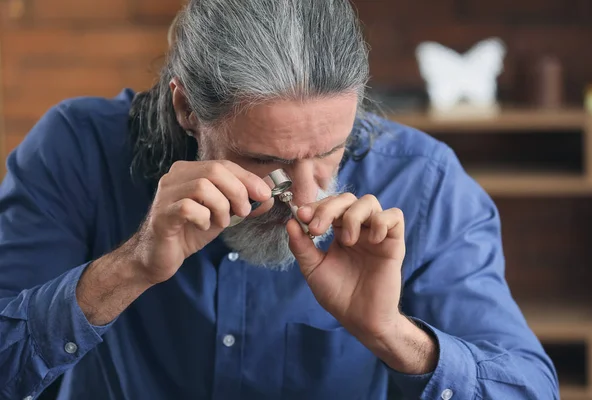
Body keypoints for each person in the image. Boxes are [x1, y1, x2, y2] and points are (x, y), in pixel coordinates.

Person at [0, 1, 559, 399]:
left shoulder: (426, 183)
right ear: (187, 109)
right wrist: (130, 267)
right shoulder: (74, 150)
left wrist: (391, 333)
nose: (307, 197)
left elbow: (530, 390)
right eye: (265, 161)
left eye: (332, 151)